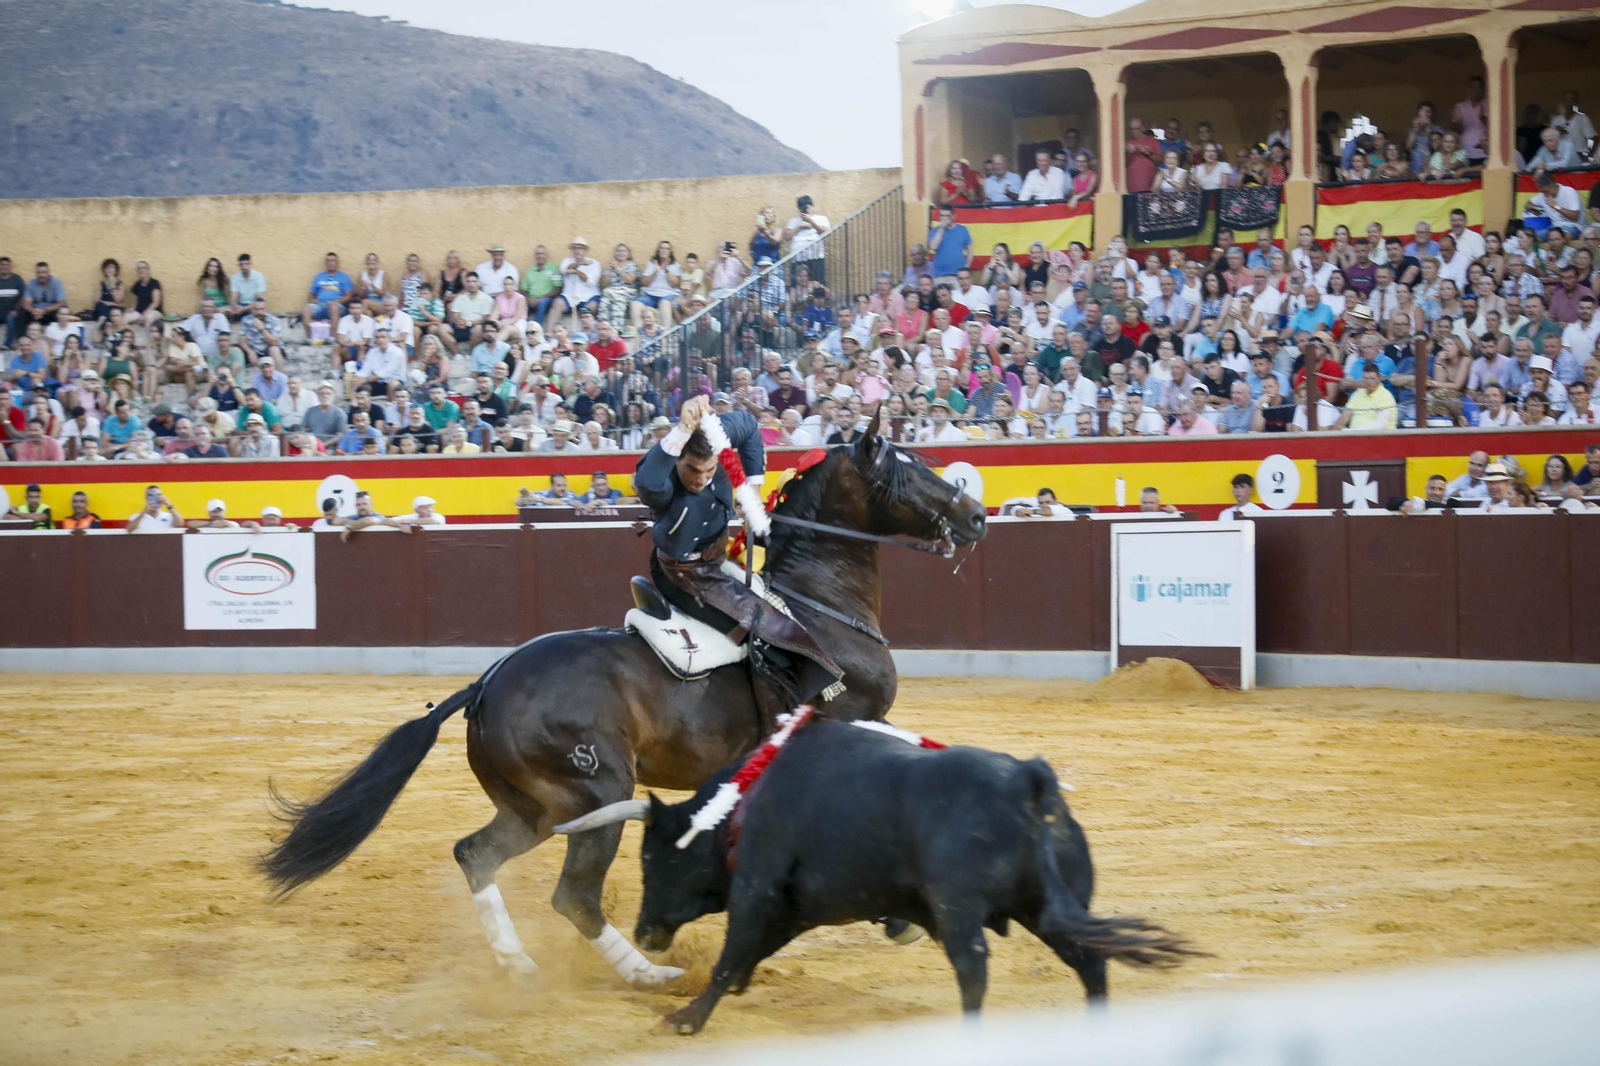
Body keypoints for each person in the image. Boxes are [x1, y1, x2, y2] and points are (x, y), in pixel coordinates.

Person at [634, 395, 844, 714]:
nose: (702, 479)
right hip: (682, 574)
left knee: (780, 606)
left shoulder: (717, 435)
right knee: (762, 629)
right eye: (692, 470)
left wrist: (754, 488)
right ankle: (773, 718)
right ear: (677, 460)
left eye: (710, 470)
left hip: (717, 559)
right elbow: (646, 481)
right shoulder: (663, 483)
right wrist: (679, 430)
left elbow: (748, 425)